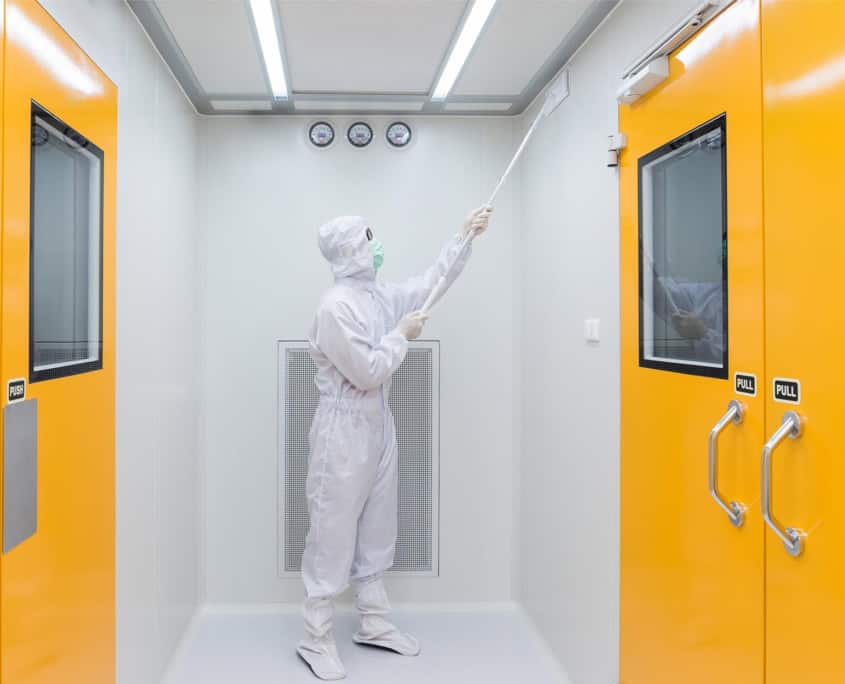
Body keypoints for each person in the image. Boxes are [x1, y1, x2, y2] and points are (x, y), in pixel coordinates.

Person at [297, 207, 492, 680]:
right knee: (333, 532)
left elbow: (429, 286)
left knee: (378, 525)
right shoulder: (335, 306)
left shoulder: (375, 295)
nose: (377, 244)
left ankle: (373, 622)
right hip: (342, 431)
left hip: (378, 423)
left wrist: (463, 237)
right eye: (369, 237)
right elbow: (365, 371)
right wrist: (402, 337)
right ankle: (316, 637)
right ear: (352, 250)